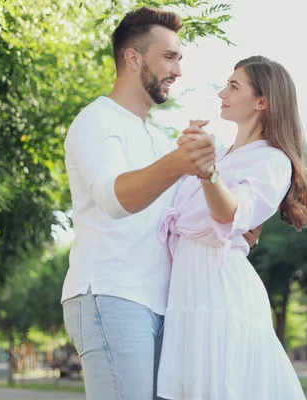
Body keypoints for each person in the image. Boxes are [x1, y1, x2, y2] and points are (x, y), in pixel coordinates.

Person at [60, 7, 223, 400]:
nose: (179, 70)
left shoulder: (159, 139)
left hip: (161, 302)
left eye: (179, 58)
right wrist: (179, 162)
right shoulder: (97, 120)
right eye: (169, 57)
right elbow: (115, 198)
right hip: (111, 294)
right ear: (134, 57)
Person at [156, 56, 307, 400]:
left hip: (219, 294)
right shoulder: (219, 150)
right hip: (189, 290)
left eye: (233, 86)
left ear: (262, 101)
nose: (221, 93)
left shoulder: (272, 160)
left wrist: (207, 172)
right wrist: (188, 156)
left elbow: (231, 214)